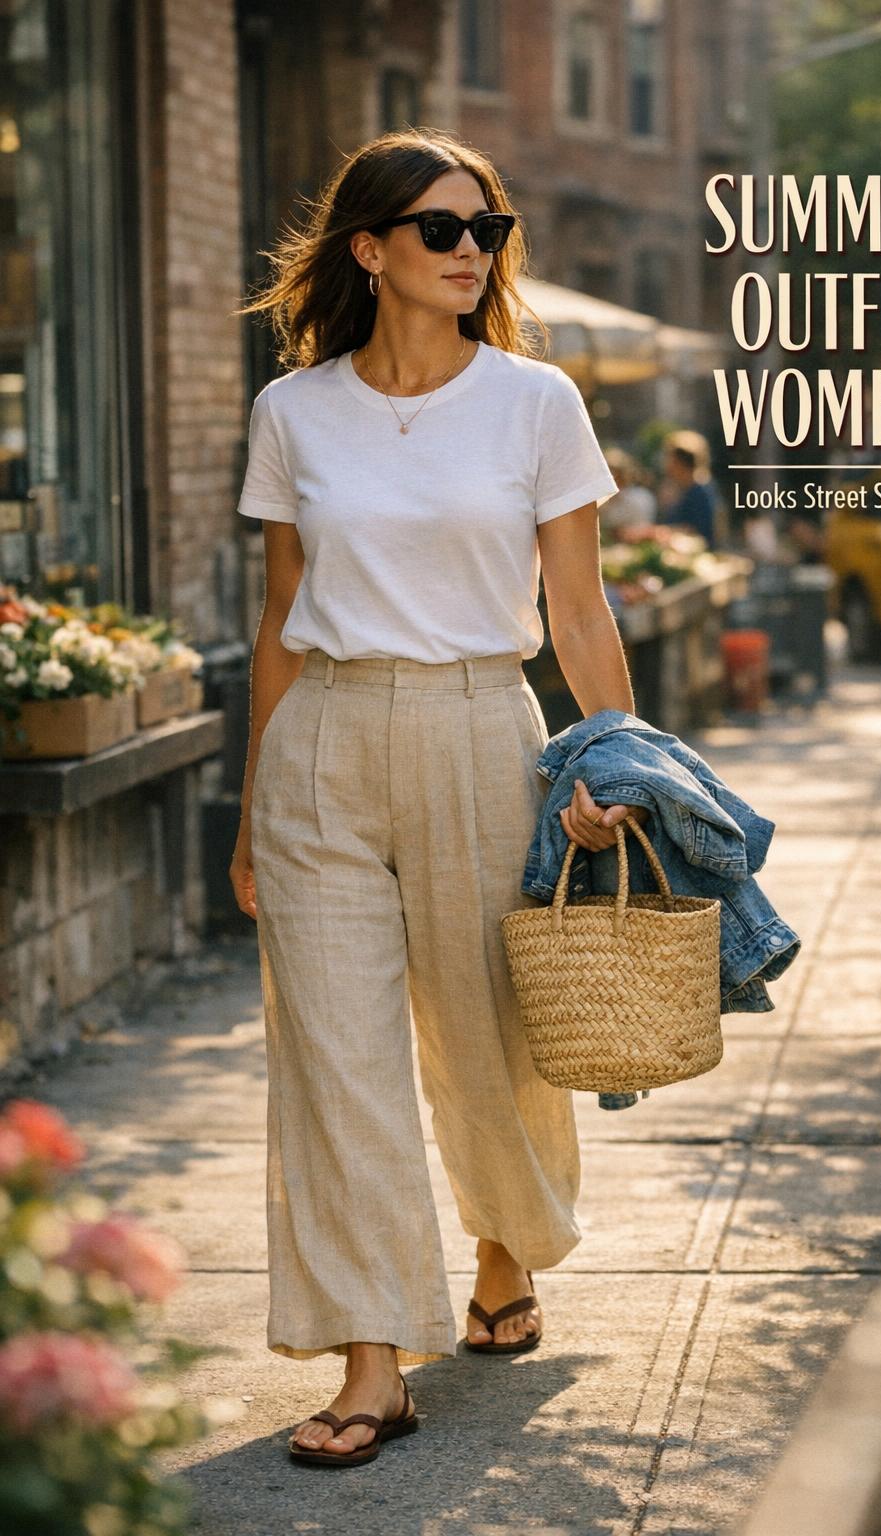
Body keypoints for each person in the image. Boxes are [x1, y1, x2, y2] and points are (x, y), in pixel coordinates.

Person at [229, 127, 652, 1467]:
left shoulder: (536, 403)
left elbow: (576, 612)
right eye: (442, 230)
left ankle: (503, 1247)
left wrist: (618, 773)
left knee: (487, 1044)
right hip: (323, 749)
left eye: (489, 231)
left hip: (484, 727)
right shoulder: (292, 412)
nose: (473, 251)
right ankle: (371, 1363)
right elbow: (283, 615)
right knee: (336, 1066)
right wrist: (251, 811)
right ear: (371, 249)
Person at [659, 434, 723, 548]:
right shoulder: (680, 489)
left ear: (681, 463)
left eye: (671, 460)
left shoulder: (701, 491)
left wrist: (659, 532)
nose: (667, 465)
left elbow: (700, 531)